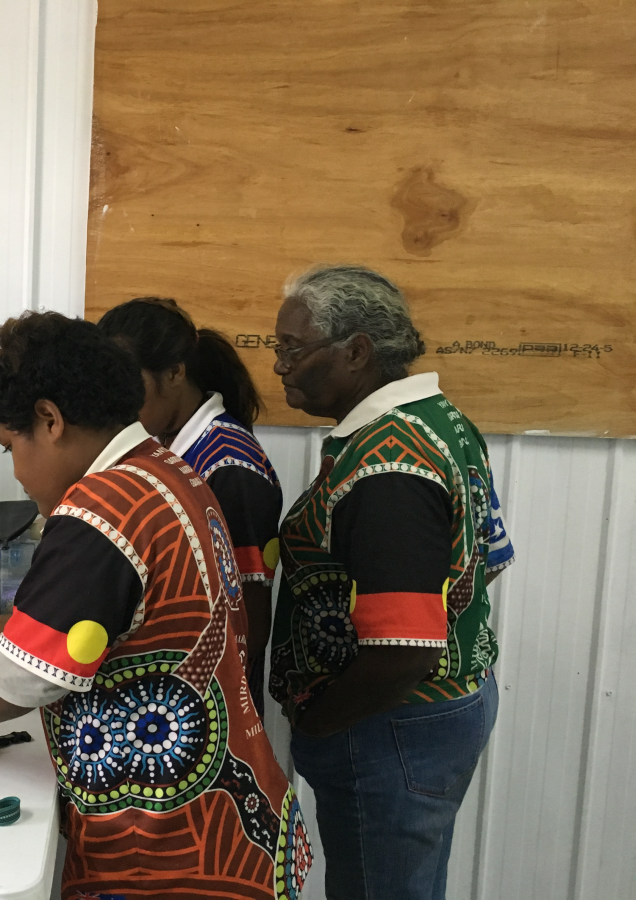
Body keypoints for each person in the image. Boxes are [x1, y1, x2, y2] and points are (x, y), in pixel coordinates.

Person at [0, 312, 311, 900]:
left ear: (50, 419)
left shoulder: (102, 509)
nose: (15, 471)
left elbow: (22, 678)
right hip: (232, 823)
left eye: (10, 446)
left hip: (168, 854)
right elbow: (66, 629)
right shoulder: (166, 472)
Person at [267, 265, 515, 900]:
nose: (279, 368)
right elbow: (486, 553)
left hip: (390, 725)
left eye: (292, 349)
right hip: (431, 712)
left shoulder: (387, 467)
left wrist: (322, 720)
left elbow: (403, 649)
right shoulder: (438, 419)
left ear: (357, 352)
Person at [97, 297, 282, 717]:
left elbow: (249, 616)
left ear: (175, 373)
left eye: (128, 382)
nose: (117, 401)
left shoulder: (229, 465)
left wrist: (191, 699)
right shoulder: (168, 446)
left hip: (206, 699)